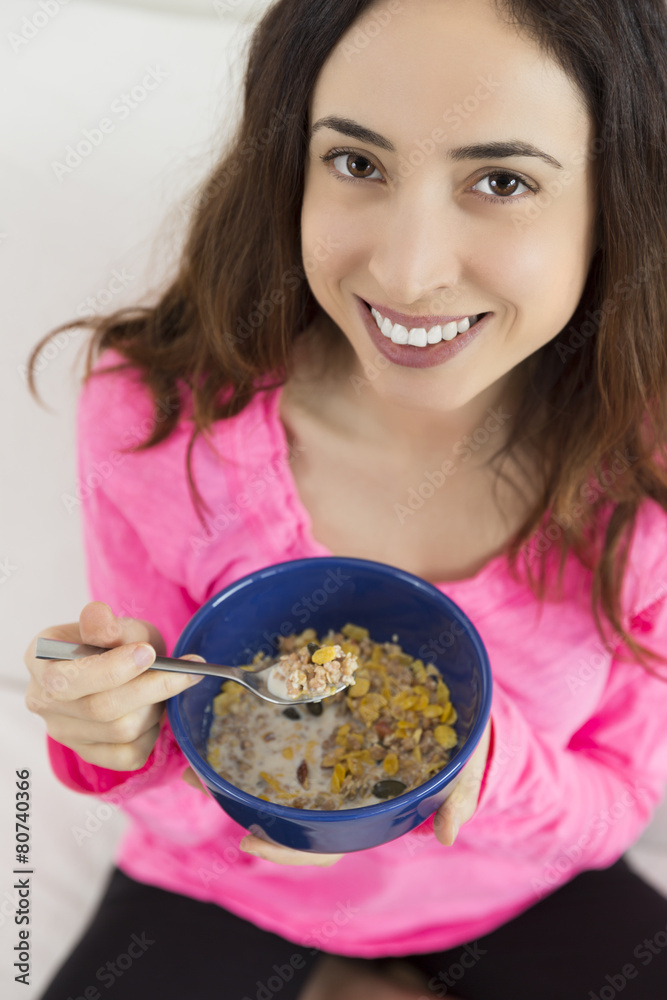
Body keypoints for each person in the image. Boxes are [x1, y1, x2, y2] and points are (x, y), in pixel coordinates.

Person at [23, 0, 667, 997]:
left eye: (501, 181)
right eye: (357, 162)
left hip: (512, 891)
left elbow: (617, 805)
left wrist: (481, 767)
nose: (406, 271)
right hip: (225, 886)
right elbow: (157, 765)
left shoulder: (645, 470)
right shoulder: (158, 420)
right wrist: (120, 735)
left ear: (618, 204)